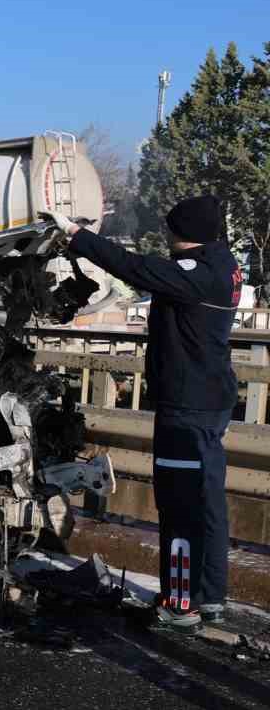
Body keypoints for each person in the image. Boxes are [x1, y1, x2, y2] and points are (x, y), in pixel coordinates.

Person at [40, 197, 241, 628]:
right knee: (208, 503)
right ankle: (209, 596)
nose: (165, 235)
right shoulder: (224, 263)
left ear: (182, 232)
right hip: (212, 400)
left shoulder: (196, 275)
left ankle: (180, 605)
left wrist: (78, 236)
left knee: (180, 504)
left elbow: (134, 268)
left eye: (170, 228)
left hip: (186, 406)